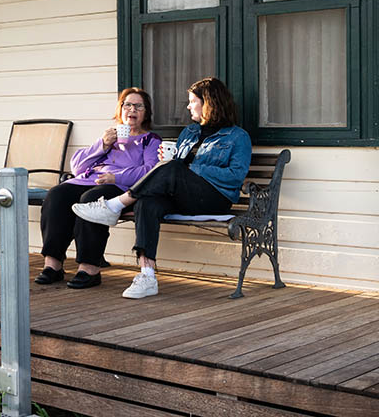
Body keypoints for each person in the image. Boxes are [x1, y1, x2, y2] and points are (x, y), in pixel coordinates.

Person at [73, 77, 252, 299]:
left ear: (208, 103)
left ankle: (114, 206)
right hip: (183, 196)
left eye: (192, 101)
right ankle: (147, 275)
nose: (188, 106)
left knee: (174, 167)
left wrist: (190, 167)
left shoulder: (238, 137)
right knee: (148, 201)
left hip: (215, 198)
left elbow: (235, 176)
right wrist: (167, 161)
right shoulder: (190, 132)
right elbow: (175, 167)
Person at [34, 88, 160, 289]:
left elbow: (149, 171)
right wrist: (102, 144)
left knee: (91, 200)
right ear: (120, 109)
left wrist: (115, 176)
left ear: (146, 112)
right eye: (127, 104)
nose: (132, 109)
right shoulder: (110, 136)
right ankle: (53, 264)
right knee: (57, 195)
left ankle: (89, 268)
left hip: (120, 187)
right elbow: (77, 167)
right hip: (88, 180)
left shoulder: (150, 141)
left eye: (138, 106)